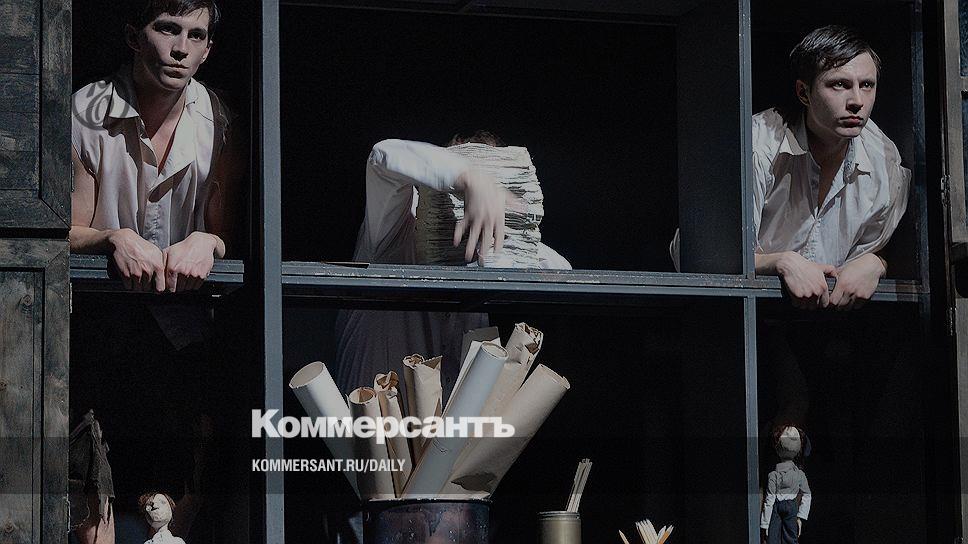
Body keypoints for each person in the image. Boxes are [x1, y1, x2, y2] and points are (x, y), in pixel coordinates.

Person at [70, 0, 239, 293]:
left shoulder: (221, 123)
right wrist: (113, 238)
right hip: (101, 299)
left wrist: (208, 242)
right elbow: (64, 232)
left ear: (207, 51)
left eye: (196, 35)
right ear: (133, 38)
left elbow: (231, 237)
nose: (181, 49)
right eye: (168, 29)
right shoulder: (86, 114)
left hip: (189, 308)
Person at [751, 25, 910, 310]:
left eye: (867, 85)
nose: (857, 101)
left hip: (836, 318)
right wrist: (780, 262)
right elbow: (701, 257)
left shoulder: (884, 161)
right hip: (744, 311)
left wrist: (876, 263)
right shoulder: (759, 145)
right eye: (839, 85)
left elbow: (879, 247)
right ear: (804, 92)